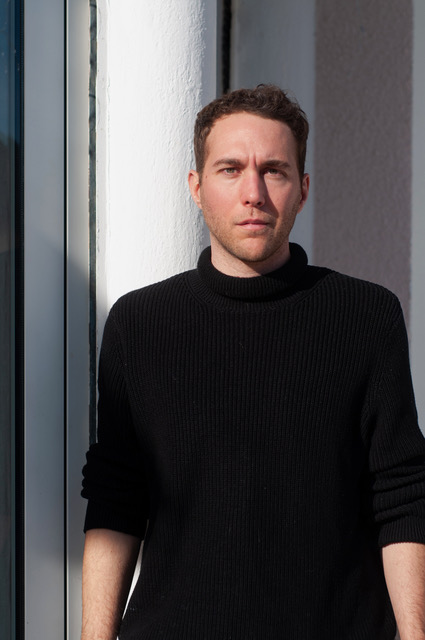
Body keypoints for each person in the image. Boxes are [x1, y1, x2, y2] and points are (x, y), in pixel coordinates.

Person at [81, 85, 425, 640]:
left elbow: (403, 493)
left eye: (274, 171)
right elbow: (116, 500)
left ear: (302, 189)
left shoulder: (366, 317)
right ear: (196, 187)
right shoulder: (138, 325)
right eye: (230, 169)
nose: (254, 193)